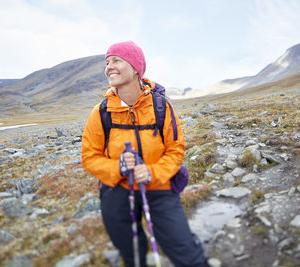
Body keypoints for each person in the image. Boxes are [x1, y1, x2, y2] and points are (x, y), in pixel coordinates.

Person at [81, 41, 208, 266]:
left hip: (158, 188)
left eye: (116, 60)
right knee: (132, 254)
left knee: (185, 250)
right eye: (107, 62)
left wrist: (151, 172)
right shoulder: (101, 112)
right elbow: (90, 157)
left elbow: (175, 150)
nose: (109, 66)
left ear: (135, 66)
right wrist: (118, 167)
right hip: (117, 191)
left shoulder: (161, 107)